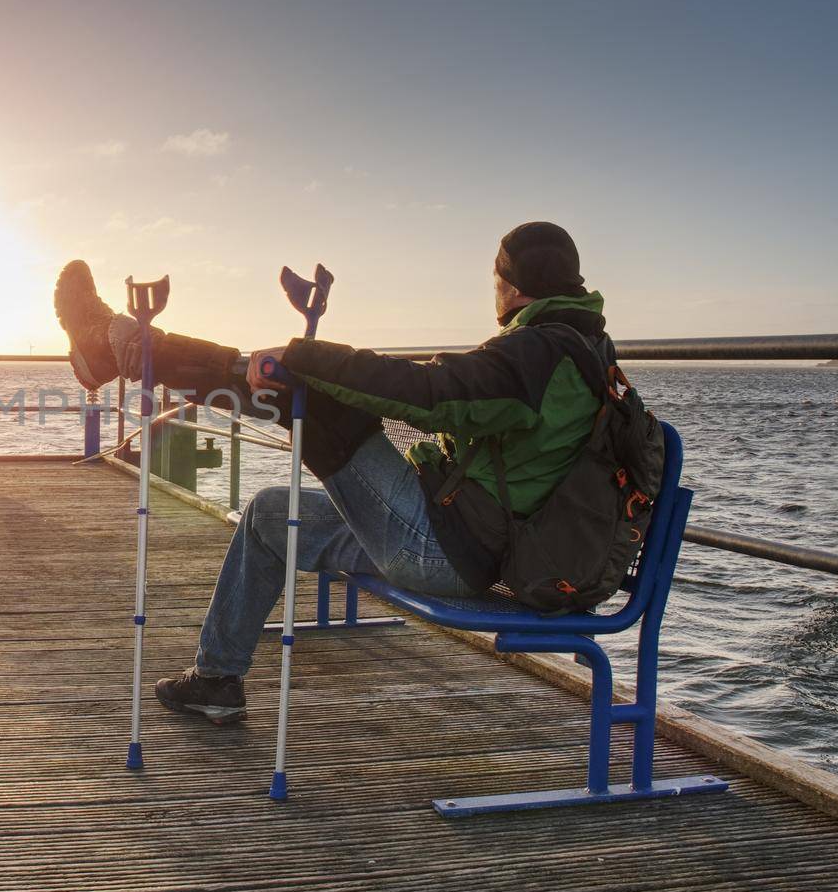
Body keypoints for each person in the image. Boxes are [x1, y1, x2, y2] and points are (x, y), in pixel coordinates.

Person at [53, 221, 617, 724]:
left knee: (317, 401)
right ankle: (216, 683)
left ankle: (122, 346)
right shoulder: (583, 351)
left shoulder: (541, 355)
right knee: (273, 513)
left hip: (445, 552)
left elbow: (429, 392)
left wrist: (301, 359)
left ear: (510, 287)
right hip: (471, 543)